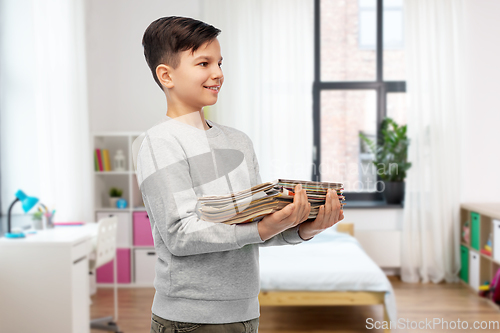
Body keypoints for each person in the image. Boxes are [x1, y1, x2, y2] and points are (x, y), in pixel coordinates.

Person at [133, 16, 344, 333]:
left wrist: (304, 228)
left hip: (245, 313)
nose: (218, 73)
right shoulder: (159, 143)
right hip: (191, 319)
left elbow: (251, 231)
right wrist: (261, 229)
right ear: (167, 75)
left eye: (219, 62)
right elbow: (180, 235)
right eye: (203, 63)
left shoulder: (239, 142)